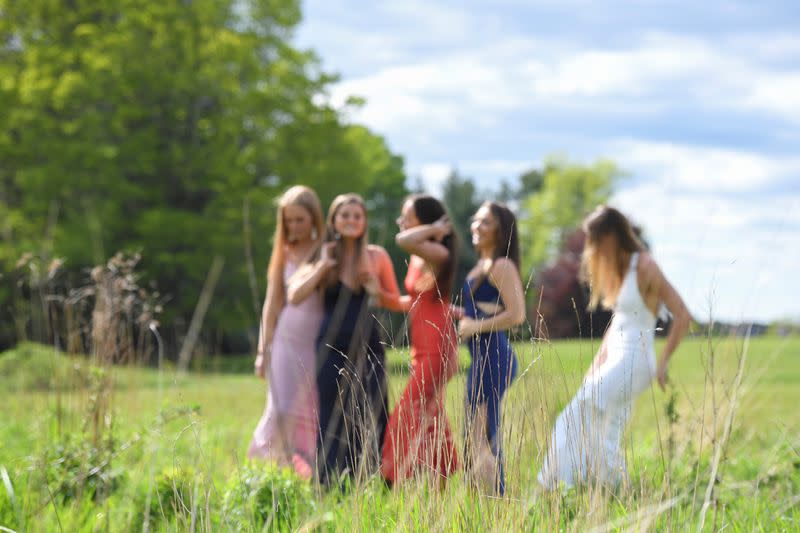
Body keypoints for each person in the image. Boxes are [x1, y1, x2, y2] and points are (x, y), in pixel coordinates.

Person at [538, 205, 691, 489]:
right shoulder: (620, 270)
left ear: (611, 235)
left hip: (634, 359)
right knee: (607, 426)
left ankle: (560, 486)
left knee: (575, 413)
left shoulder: (645, 266)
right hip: (615, 358)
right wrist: (596, 364)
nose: (590, 246)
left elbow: (682, 314)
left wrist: (664, 362)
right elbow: (615, 326)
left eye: (593, 238)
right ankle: (612, 489)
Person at [287, 193, 400, 485]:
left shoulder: (377, 255)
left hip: (369, 346)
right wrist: (324, 267)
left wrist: (376, 290)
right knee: (330, 414)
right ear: (334, 221)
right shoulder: (323, 254)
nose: (351, 221)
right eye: (345, 215)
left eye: (357, 216)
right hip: (330, 346)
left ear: (364, 222)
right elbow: (294, 295)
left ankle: (375, 482)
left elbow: (399, 302)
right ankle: (328, 485)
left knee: (374, 412)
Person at [380, 195, 460, 486]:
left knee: (406, 412)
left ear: (423, 222)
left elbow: (403, 239)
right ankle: (441, 483)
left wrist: (435, 228)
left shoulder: (436, 251)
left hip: (437, 345)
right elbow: (416, 301)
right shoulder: (421, 254)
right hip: (421, 344)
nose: (401, 223)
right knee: (429, 413)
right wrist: (382, 297)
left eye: (407, 217)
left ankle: (391, 477)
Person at [248, 185, 326, 479]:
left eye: (300, 219)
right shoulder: (283, 251)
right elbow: (271, 304)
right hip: (284, 341)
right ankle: (269, 472)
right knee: (279, 410)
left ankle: (303, 473)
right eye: (288, 220)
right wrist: (261, 351)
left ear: (314, 218)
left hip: (316, 344)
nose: (293, 226)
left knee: (308, 412)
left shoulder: (326, 249)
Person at [457, 201, 526, 495]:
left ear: (501, 230)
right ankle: (481, 505)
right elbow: (481, 310)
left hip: (494, 358)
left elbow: (517, 314)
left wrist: (475, 326)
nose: (476, 226)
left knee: (482, 437)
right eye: (476, 220)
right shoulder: (480, 267)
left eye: (485, 222)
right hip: (479, 359)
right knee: (473, 436)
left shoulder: (502, 265)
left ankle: (495, 504)